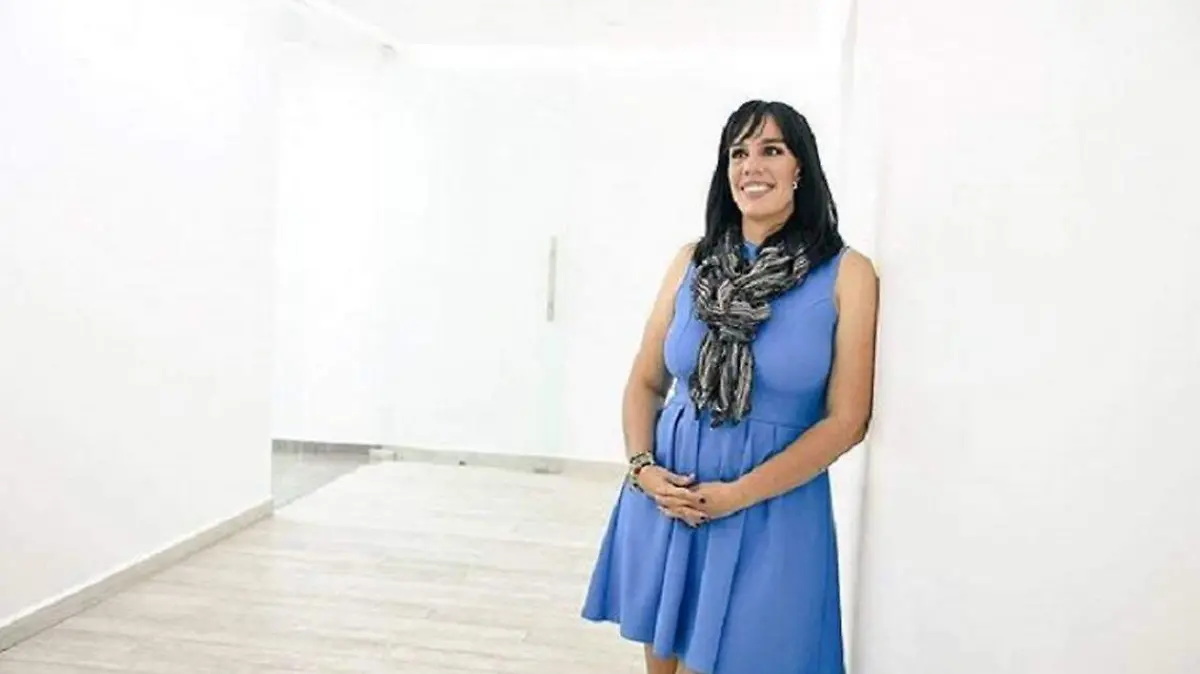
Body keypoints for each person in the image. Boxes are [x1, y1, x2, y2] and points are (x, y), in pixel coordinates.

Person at [580, 100, 879, 674]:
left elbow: (848, 420)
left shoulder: (848, 274)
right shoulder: (691, 262)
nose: (751, 166)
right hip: (672, 502)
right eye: (738, 153)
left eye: (772, 150)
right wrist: (643, 469)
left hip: (770, 511)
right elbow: (646, 381)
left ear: (800, 168)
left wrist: (736, 495)